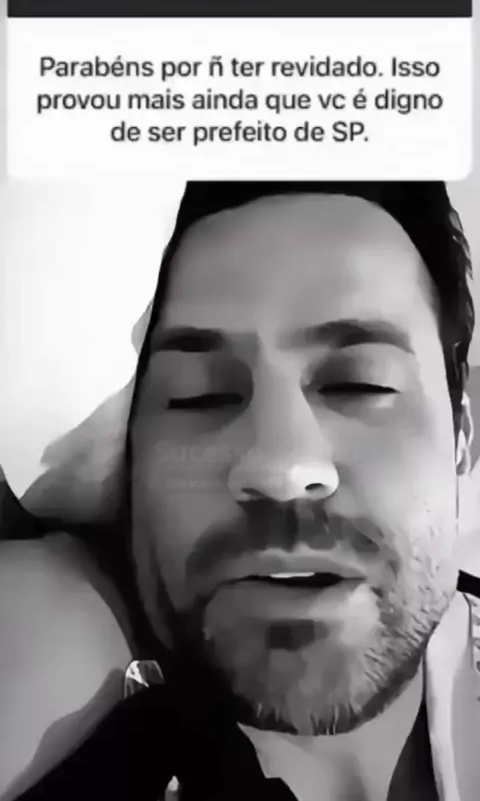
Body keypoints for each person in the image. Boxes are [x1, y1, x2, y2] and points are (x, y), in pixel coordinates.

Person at [2, 181, 480, 801]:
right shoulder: (56, 645)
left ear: (462, 434)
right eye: (201, 395)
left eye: (359, 384)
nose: (282, 469)